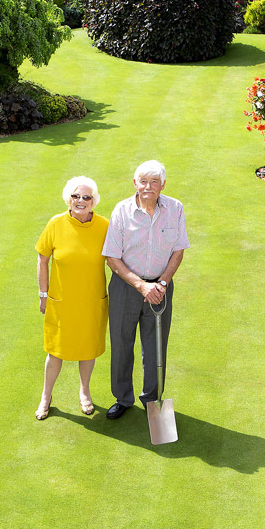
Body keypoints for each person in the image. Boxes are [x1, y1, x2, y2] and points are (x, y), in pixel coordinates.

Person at [101, 160, 190, 420]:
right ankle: (123, 398)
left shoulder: (175, 208)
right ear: (135, 183)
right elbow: (112, 257)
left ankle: (153, 400)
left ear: (163, 184)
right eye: (143, 181)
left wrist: (161, 283)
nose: (148, 187)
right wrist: (141, 285)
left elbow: (178, 251)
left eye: (154, 182)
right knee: (121, 344)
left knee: (156, 347)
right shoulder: (121, 210)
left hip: (160, 288)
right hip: (126, 287)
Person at [34, 176, 110, 420]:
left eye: (86, 197)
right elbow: (42, 259)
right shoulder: (56, 223)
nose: (80, 201)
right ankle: (46, 396)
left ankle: (84, 391)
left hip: (92, 301)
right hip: (62, 301)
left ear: (93, 201)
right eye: (76, 196)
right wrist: (43, 294)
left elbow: (117, 259)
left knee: (87, 349)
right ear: (68, 198)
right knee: (56, 351)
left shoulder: (104, 226)